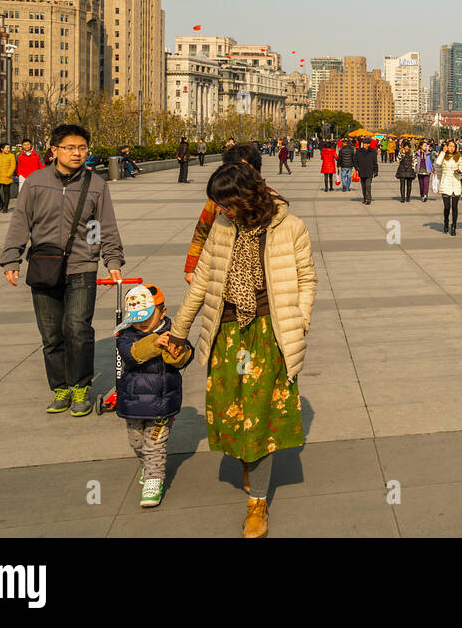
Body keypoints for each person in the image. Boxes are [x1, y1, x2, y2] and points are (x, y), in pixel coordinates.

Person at [164, 162, 317, 538]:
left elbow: (306, 279)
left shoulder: (290, 227)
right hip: (228, 331)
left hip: (270, 331)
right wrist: (179, 331)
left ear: (248, 196)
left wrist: (300, 322)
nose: (222, 211)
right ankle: (249, 462)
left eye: (227, 204)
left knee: (260, 417)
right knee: (231, 410)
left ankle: (257, 503)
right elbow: (202, 281)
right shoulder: (222, 227)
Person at [0, 124, 125, 416]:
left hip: (82, 266)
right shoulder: (35, 182)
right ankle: (60, 388)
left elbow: (104, 226)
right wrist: (11, 258)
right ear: (54, 150)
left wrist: (112, 260)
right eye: (70, 147)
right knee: (52, 334)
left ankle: (81, 386)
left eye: (82, 148)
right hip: (44, 267)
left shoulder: (96, 185)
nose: (77, 153)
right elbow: (21, 223)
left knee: (78, 329)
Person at [115, 282, 193, 508]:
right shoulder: (126, 335)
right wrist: (153, 342)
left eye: (146, 317)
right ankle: (147, 466)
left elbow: (184, 357)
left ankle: (154, 479)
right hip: (133, 402)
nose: (141, 322)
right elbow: (130, 355)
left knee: (155, 444)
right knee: (137, 442)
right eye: (136, 317)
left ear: (162, 312)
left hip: (161, 403)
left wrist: (176, 350)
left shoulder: (173, 331)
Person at [185, 142, 264, 284]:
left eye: (245, 169)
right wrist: (191, 268)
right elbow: (201, 232)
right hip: (222, 270)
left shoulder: (269, 200)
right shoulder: (215, 202)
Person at [434, 140, 462, 235]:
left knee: (455, 207)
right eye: (450, 146)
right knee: (447, 207)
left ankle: (454, 225)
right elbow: (437, 163)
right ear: (446, 146)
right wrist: (443, 151)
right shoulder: (443, 156)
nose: (451, 148)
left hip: (455, 183)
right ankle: (446, 221)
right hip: (446, 183)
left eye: (453, 146)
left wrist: (459, 171)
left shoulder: (458, 156)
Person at [0, 143, 16, 213]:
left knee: (6, 193)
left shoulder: (11, 156)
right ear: (2, 149)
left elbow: (13, 165)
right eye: (7, 148)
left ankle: (5, 207)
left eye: (9, 148)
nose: (8, 149)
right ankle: (1, 203)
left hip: (6, 176)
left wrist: (9, 174)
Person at [355, 138, 379, 204]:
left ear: (368, 144)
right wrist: (356, 167)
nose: (364, 145)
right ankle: (365, 197)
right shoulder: (358, 151)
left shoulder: (373, 151)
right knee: (363, 186)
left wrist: (376, 171)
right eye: (363, 143)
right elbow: (355, 160)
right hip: (361, 170)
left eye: (365, 143)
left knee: (368, 185)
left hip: (369, 170)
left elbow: (375, 162)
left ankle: (368, 199)